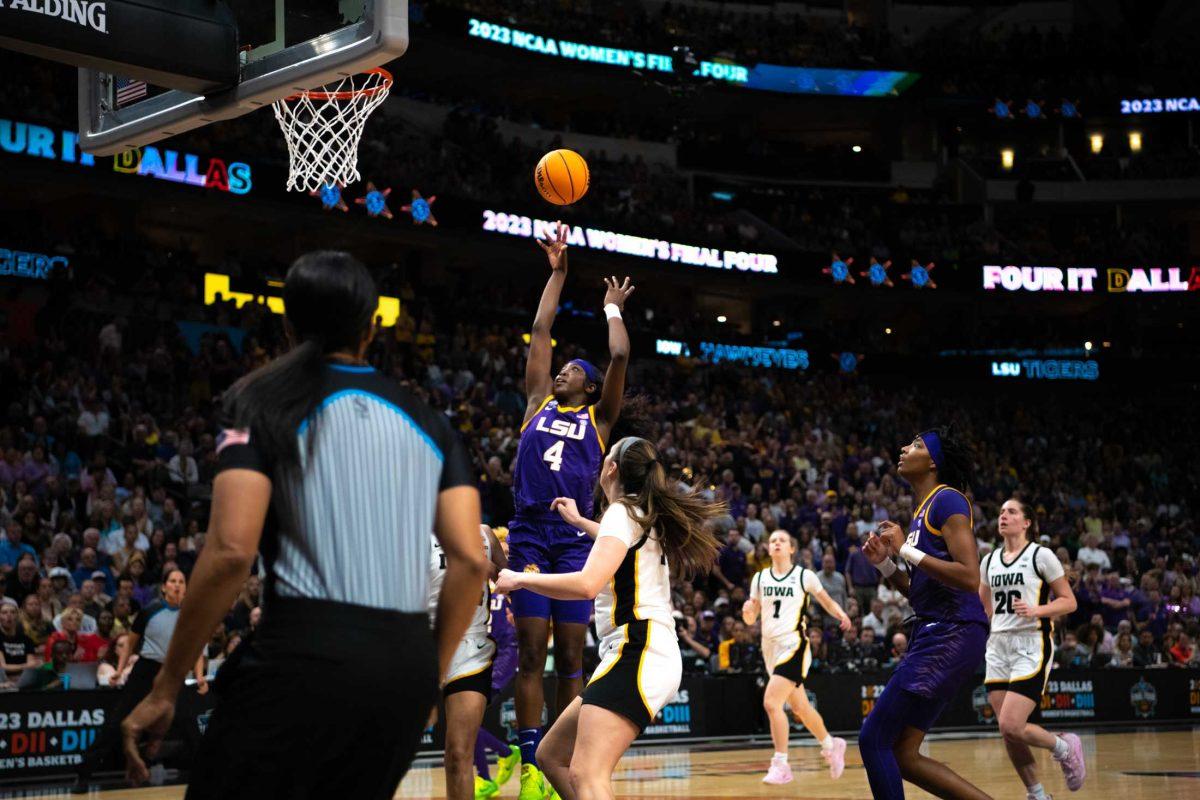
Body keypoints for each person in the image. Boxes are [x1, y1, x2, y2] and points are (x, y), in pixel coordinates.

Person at [119, 251, 489, 798]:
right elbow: (472, 559)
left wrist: (167, 684)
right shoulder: (430, 420)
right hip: (403, 668)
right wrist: (423, 676)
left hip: (303, 656)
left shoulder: (258, 400)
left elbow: (228, 553)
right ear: (370, 328)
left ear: (289, 325)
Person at [496, 436, 723, 800]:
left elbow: (587, 585)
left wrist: (521, 578)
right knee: (552, 756)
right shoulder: (639, 514)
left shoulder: (621, 512)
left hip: (639, 648)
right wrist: (580, 521)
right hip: (641, 650)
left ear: (612, 468)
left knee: (587, 774)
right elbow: (616, 545)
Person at [508, 222, 635, 799]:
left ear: (587, 386)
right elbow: (539, 329)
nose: (563, 371)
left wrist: (611, 309)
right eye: (562, 368)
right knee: (532, 649)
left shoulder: (599, 421)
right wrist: (557, 272)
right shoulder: (536, 402)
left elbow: (618, 355)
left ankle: (565, 754)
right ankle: (531, 760)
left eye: (573, 371)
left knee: (570, 658)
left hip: (576, 538)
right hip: (531, 535)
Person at [858, 427, 992, 800]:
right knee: (903, 754)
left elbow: (969, 577)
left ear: (933, 461)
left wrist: (905, 551)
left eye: (916, 444)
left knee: (873, 738)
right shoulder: (921, 513)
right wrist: (886, 564)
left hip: (951, 632)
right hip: (942, 629)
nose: (904, 447)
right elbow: (921, 593)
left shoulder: (947, 501)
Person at [980, 498, 1085, 799]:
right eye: (1000, 511)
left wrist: (1036, 610)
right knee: (1007, 731)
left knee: (1012, 725)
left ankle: (1065, 747)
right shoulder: (988, 561)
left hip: (1030, 643)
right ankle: (1037, 794)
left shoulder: (1041, 555)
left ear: (1026, 523)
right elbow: (984, 607)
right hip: (998, 645)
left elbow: (1069, 601)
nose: (1003, 515)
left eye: (1011, 511)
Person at [73, 569, 205, 788]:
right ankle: (83, 773)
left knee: (188, 721)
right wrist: (120, 669)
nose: (177, 585)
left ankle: (205, 773)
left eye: (181, 581)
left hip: (173, 672)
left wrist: (199, 676)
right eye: (173, 581)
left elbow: (197, 647)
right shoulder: (150, 611)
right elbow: (131, 644)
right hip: (145, 670)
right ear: (164, 587)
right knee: (117, 721)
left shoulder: (191, 614)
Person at [742, 530, 851, 784]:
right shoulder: (759, 578)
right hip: (769, 648)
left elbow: (825, 601)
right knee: (800, 707)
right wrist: (747, 612)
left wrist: (842, 615)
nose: (777, 543)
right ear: (768, 550)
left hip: (794, 645)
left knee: (771, 703)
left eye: (782, 540)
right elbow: (750, 618)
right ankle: (831, 744)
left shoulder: (805, 576)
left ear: (791, 548)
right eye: (772, 541)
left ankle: (781, 764)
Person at [429, 525, 507, 800]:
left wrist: (496, 572)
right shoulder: (410, 531)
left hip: (470, 649)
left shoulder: (485, 534)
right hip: (422, 643)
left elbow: (507, 579)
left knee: (458, 753)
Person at [1, 598, 38, 688]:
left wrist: (20, 671)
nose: (9, 615)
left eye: (12, 612)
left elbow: (32, 665)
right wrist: (24, 666)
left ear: (17, 616)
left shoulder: (26, 639)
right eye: (4, 613)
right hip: (3, 679)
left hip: (23, 679)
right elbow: (2, 667)